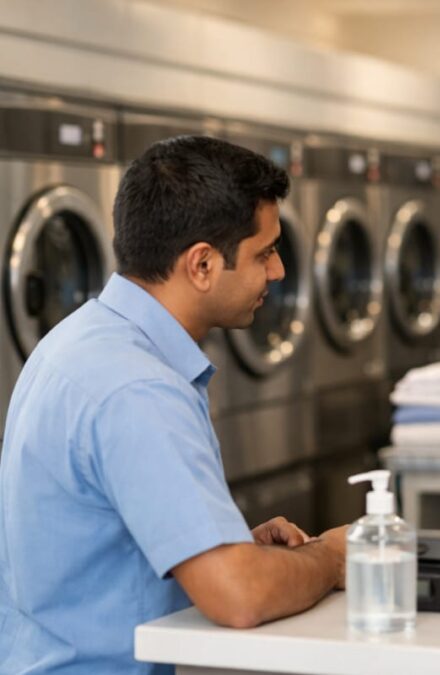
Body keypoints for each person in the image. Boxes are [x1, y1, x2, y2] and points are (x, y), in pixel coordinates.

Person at [0, 136, 346, 674]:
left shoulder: (79, 342)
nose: (278, 273)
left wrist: (226, 548)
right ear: (202, 265)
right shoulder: (137, 387)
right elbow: (240, 597)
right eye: (265, 253)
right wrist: (332, 558)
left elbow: (101, 550)